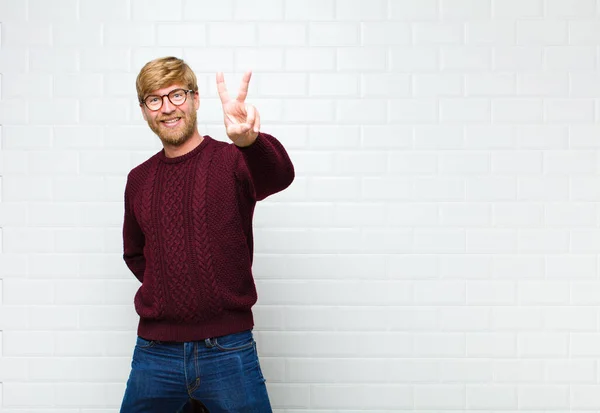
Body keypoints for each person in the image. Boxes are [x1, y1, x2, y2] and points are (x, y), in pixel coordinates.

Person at [119, 56, 295, 412]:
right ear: (144, 111)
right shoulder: (138, 179)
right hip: (156, 352)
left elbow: (280, 176)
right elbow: (136, 254)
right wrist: (170, 282)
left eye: (177, 95)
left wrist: (249, 141)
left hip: (228, 349)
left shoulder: (232, 161)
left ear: (196, 99)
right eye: (155, 99)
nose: (167, 108)